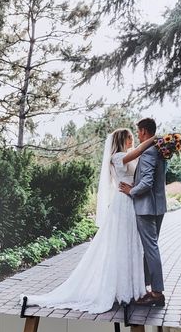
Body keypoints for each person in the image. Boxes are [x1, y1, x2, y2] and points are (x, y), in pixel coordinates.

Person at [22, 128, 158, 313]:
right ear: (120, 140)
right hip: (123, 204)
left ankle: (132, 289)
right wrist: (156, 139)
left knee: (131, 244)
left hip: (131, 201)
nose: (132, 141)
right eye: (129, 138)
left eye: (133, 138)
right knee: (122, 245)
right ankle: (123, 291)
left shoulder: (127, 156)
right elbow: (139, 150)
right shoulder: (117, 157)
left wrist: (134, 187)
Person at [119, 118, 167, 308]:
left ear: (144, 132)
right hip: (159, 206)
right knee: (151, 248)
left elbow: (146, 183)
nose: (137, 135)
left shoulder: (148, 152)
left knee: (151, 249)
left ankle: (156, 292)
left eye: (138, 132)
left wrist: (131, 191)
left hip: (146, 208)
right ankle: (148, 288)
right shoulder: (161, 150)